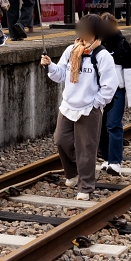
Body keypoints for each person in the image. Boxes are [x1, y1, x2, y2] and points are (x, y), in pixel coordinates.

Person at [40, 14, 117, 200]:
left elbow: (110, 85)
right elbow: (60, 75)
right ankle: (73, 174)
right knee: (60, 139)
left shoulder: (102, 55)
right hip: (68, 105)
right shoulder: (71, 50)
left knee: (86, 148)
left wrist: (96, 103)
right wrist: (49, 65)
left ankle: (86, 187)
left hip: (89, 108)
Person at [97, 14, 131, 175]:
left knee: (113, 125)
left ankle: (115, 161)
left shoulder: (123, 45)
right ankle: (107, 159)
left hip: (117, 92)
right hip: (100, 92)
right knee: (100, 127)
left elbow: (130, 72)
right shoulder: (97, 45)